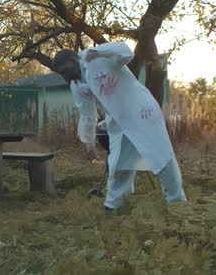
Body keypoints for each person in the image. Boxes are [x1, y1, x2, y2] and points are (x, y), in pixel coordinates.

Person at [53, 43, 187, 211]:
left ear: (74, 59)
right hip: (118, 120)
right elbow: (87, 114)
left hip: (141, 112)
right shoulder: (76, 86)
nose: (65, 77)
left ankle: (177, 203)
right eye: (61, 74)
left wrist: (97, 51)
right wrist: (89, 143)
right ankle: (114, 205)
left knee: (161, 156)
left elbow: (126, 53)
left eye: (65, 71)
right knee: (118, 163)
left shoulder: (98, 58)